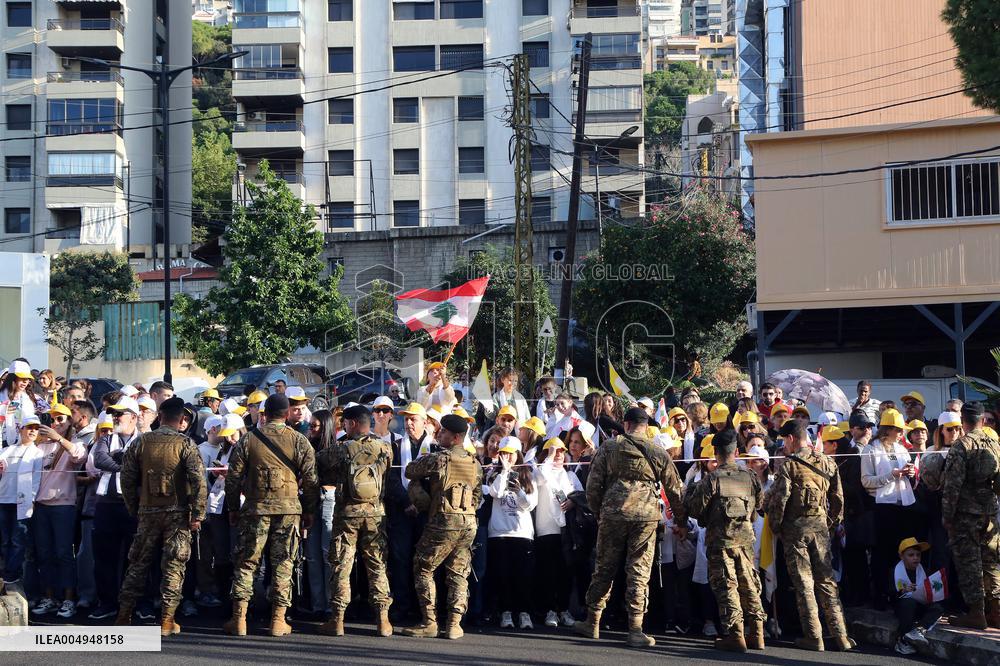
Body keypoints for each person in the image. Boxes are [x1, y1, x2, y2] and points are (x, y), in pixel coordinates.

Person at [573, 407, 687, 648]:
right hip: (646, 515)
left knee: (604, 566)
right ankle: (636, 628)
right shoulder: (657, 451)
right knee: (639, 571)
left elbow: (593, 485)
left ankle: (592, 621)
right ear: (646, 426)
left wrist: (598, 510)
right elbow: (675, 490)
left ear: (625, 425)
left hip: (614, 513)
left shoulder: (609, 447)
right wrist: (681, 520)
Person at [223, 394, 319, 637]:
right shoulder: (299, 440)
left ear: (264, 413)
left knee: (246, 564)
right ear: (287, 414)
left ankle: (239, 619)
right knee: (283, 564)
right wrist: (309, 510)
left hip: (255, 509)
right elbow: (310, 480)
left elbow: (233, 478)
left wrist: (233, 508)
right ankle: (278, 620)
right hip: (288, 511)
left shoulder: (248, 440)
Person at [116, 397, 207, 636]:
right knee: (174, 566)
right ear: (182, 419)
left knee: (137, 564)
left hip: (148, 511)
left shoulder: (141, 442)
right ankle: (167, 620)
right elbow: (199, 481)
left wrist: (134, 506)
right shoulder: (186, 444)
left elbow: (126, 478)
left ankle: (124, 614)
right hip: (178, 513)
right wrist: (197, 514)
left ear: (160, 416)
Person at [766, 420, 853, 652]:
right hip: (821, 529)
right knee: (827, 581)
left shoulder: (789, 466)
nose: (784, 445)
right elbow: (838, 499)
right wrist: (831, 524)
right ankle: (840, 634)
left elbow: (780, 501)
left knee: (804, 583)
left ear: (792, 438)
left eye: (785, 440)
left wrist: (775, 526)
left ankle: (814, 636)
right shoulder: (827, 462)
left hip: (796, 531)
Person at [401, 414, 483, 640]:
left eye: (444, 432)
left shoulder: (439, 459)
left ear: (455, 437)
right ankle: (455, 625)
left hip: (443, 521)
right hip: (468, 523)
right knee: (458, 572)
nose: (439, 434)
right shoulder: (475, 463)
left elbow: (410, 471)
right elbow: (477, 495)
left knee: (423, 566)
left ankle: (430, 622)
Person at [684, 428, 765, 653]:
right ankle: (757, 634)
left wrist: (689, 491)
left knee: (727, 587)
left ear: (716, 452)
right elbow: (759, 504)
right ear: (736, 451)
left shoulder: (712, 479)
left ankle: (735, 636)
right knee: (749, 584)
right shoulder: (750, 476)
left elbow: (694, 508)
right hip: (746, 541)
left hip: (721, 542)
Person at [316, 404, 394, 638]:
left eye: (345, 424)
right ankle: (383, 621)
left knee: (342, 565)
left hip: (346, 515)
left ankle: (337, 620)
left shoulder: (341, 449)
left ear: (351, 424)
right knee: (377, 565)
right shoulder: (385, 448)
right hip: (375, 515)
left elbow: (318, 463)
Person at [940, 402, 1000, 629]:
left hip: (966, 514)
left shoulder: (961, 445)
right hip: (990, 512)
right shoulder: (995, 444)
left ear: (963, 421)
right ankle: (996, 611)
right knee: (991, 562)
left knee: (969, 563)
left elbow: (952, 487)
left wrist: (947, 516)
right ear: (982, 420)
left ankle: (977, 613)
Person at [90, 396, 145, 621]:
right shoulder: (105, 439)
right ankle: (107, 603)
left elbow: (146, 464)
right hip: (106, 506)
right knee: (104, 557)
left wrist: (125, 465)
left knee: (137, 557)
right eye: (114, 414)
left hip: (133, 506)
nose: (115, 418)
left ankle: (136, 603)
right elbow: (99, 460)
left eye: (119, 414)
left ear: (133, 417)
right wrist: (127, 466)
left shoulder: (145, 440)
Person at [31, 404, 87, 619]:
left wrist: (59, 438)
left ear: (69, 421)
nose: (56, 423)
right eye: (53, 419)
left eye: (62, 419)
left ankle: (68, 599)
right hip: (41, 505)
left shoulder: (75, 443)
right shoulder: (40, 446)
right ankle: (49, 596)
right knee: (44, 554)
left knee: (64, 553)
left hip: (63, 505)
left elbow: (79, 457)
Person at [861, 408, 918, 608]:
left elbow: (910, 479)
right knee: (881, 554)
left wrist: (911, 473)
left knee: (901, 552)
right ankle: (880, 595)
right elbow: (866, 482)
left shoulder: (902, 449)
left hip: (904, 505)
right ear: (888, 429)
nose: (902, 434)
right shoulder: (871, 449)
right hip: (883, 507)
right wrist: (891, 475)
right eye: (899, 430)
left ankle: (899, 593)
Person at [485, 436, 538, 630]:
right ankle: (506, 612)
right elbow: (495, 493)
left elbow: (530, 504)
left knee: (523, 576)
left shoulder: (527, 475)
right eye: (503, 453)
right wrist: (505, 471)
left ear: (518, 454)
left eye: (510, 453)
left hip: (522, 533)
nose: (507, 456)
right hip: (499, 533)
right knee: (502, 575)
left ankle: (523, 612)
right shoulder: (493, 473)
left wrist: (519, 492)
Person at [533, 435, 583, 626]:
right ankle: (549, 610)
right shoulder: (541, 471)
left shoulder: (569, 475)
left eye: (562, 451)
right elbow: (540, 477)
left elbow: (581, 494)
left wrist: (573, 501)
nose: (559, 455)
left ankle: (564, 610)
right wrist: (549, 457)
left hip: (567, 531)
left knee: (565, 572)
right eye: (555, 451)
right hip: (546, 529)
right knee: (548, 572)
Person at [0, 417, 44, 586]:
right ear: (21, 429)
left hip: (22, 501)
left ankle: (12, 573)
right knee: (5, 539)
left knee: (18, 540)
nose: (32, 431)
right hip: (3, 498)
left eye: (36, 428)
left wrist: (32, 499)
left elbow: (36, 478)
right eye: (29, 427)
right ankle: (6, 571)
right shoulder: (6, 450)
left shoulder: (38, 452)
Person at [891, 538, 941, 656]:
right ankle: (902, 640)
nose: (915, 558)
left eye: (918, 555)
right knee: (908, 603)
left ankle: (918, 630)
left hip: (920, 604)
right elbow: (889, 593)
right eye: (911, 555)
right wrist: (902, 590)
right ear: (902, 556)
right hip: (903, 607)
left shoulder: (923, 570)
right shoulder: (895, 571)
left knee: (938, 607)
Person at [1, 360, 37, 447]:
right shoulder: (1, 396)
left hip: (21, 445)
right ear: (12, 378)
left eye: (27, 378)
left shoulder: (27, 398)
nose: (25, 381)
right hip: (2, 443)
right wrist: (3, 411)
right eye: (22, 378)